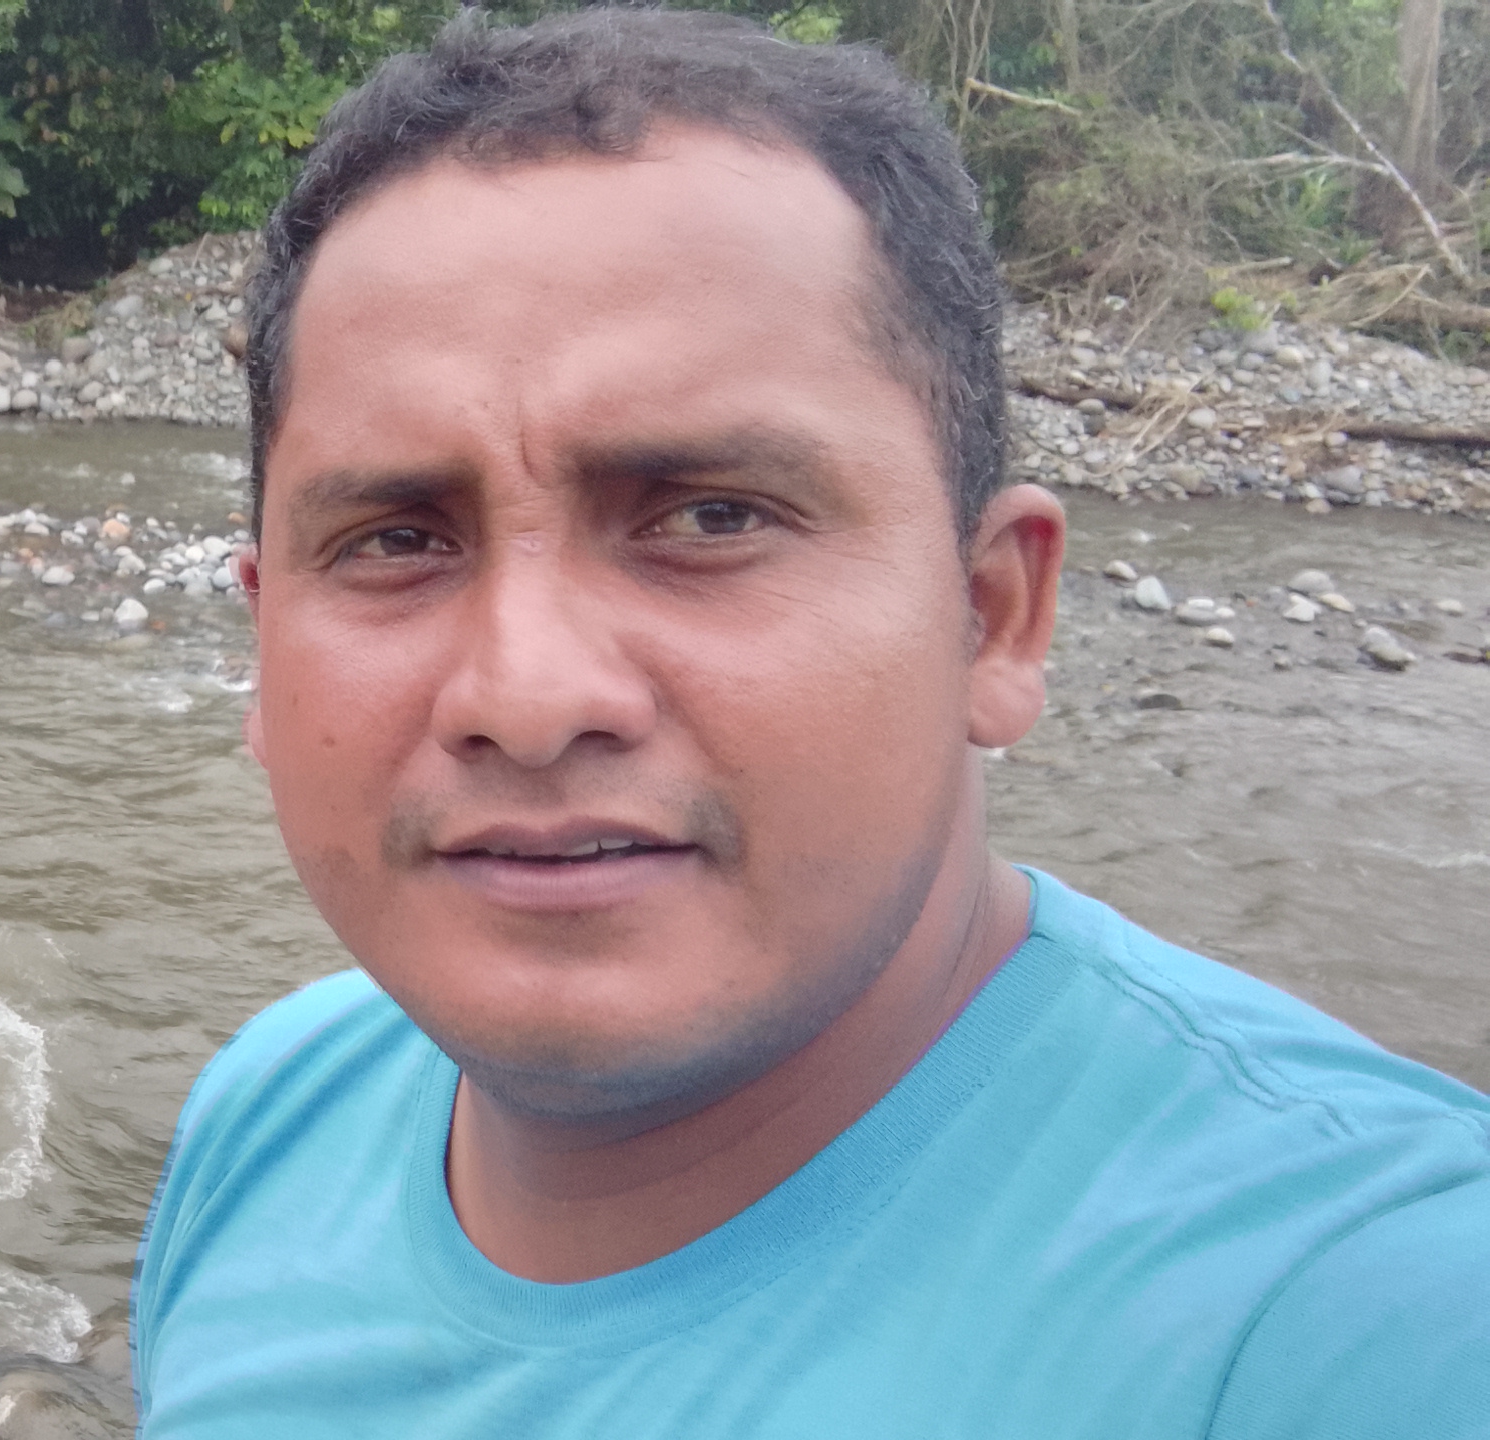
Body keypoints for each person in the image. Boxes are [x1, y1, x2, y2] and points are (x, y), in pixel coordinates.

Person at [130, 11, 1490, 1438]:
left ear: (991, 616)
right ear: (262, 646)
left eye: (712, 518)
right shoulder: (270, 1114)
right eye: (397, 542)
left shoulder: (1371, 1317)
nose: (525, 700)